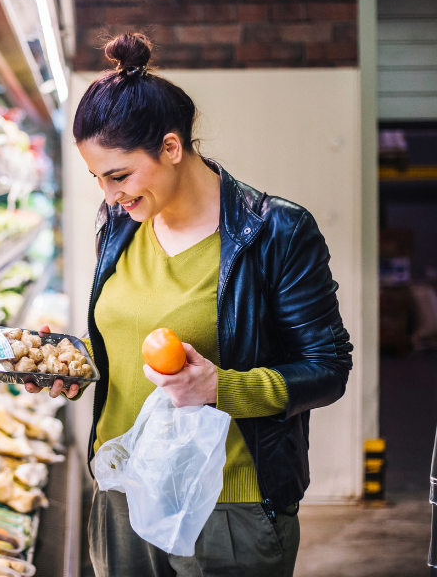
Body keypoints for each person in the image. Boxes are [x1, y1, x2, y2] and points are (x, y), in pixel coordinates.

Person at [23, 32, 353, 577]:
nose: (109, 196)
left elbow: (327, 370)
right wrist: (76, 364)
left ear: (171, 148)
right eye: (97, 179)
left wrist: (219, 387)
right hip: (121, 488)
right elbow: (131, 342)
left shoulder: (276, 232)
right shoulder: (119, 226)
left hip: (227, 505)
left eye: (119, 175)